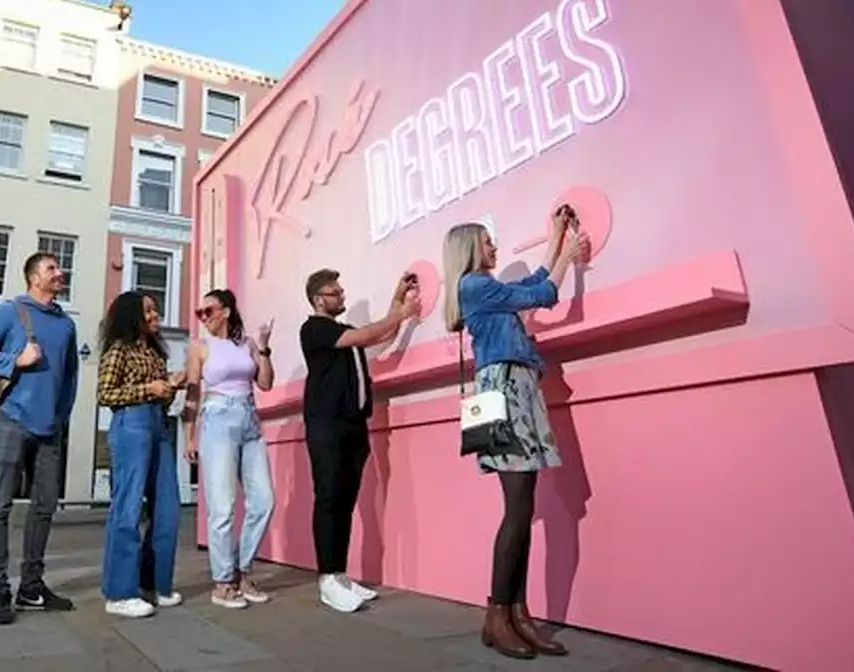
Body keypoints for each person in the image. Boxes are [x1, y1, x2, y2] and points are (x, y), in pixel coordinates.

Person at [443, 212, 586, 659]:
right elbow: (543, 294)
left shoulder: (485, 290)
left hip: (517, 386)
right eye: (487, 242)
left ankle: (516, 613)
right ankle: (497, 614)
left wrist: (556, 241)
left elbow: (532, 289)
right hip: (505, 389)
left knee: (522, 508)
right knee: (518, 506)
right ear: (469, 248)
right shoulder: (473, 285)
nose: (494, 248)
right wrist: (568, 253)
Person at [0, 252, 79, 625]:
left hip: (49, 429)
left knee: (44, 507)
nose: (60, 272)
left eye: (59, 268)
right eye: (51, 268)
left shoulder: (67, 325)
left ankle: (31, 587)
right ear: (33, 278)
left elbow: (71, 377)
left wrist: (60, 418)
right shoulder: (10, 312)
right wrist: (15, 360)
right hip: (9, 421)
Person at [299, 269, 420, 613]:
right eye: (334, 292)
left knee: (346, 499)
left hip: (353, 424)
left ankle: (339, 574)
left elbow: (381, 333)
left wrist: (398, 302)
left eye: (341, 290)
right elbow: (369, 335)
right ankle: (327, 579)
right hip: (327, 424)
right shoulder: (314, 329)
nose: (341, 296)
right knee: (329, 497)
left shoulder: (345, 332)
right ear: (318, 299)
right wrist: (400, 312)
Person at [183, 289, 276, 609]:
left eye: (207, 310)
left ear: (225, 311)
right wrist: (190, 435)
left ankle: (243, 570)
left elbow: (265, 383)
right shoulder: (199, 347)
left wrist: (263, 347)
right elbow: (193, 393)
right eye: (200, 312)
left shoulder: (247, 343)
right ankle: (223, 582)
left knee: (264, 500)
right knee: (222, 506)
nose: (203, 317)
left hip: (249, 418)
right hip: (217, 418)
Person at [97, 291, 185, 619]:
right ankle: (119, 592)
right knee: (128, 507)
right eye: (148, 310)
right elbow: (105, 394)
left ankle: (155, 584)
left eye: (155, 309)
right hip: (130, 425)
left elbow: (160, 395)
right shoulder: (119, 349)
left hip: (158, 426)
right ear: (132, 315)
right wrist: (149, 389)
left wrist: (170, 385)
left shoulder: (154, 352)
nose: (155, 314)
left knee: (168, 508)